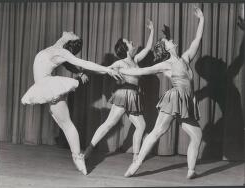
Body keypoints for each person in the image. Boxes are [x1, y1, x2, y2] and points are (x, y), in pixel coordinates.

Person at [119, 6, 204, 179]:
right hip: (174, 98)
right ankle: (136, 164)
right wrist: (122, 71)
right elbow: (142, 71)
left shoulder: (186, 57)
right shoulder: (166, 64)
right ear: (166, 48)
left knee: (197, 135)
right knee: (157, 132)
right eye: (169, 41)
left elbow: (197, 39)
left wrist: (201, 19)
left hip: (185, 101)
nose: (172, 41)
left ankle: (191, 170)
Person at [21, 31, 122, 175]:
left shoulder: (62, 52)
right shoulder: (58, 45)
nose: (72, 32)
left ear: (70, 43)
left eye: (73, 35)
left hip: (50, 87)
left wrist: (107, 70)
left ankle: (78, 157)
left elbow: (84, 63)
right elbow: (68, 65)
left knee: (67, 125)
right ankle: (78, 156)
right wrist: (79, 73)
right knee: (63, 124)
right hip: (44, 87)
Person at [83, 20, 154, 165]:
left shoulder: (135, 60)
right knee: (109, 124)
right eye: (128, 41)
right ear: (125, 48)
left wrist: (152, 30)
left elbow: (147, 48)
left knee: (141, 125)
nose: (132, 41)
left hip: (134, 96)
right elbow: (104, 69)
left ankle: (135, 158)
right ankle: (88, 151)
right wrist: (86, 73)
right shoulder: (120, 63)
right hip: (123, 95)